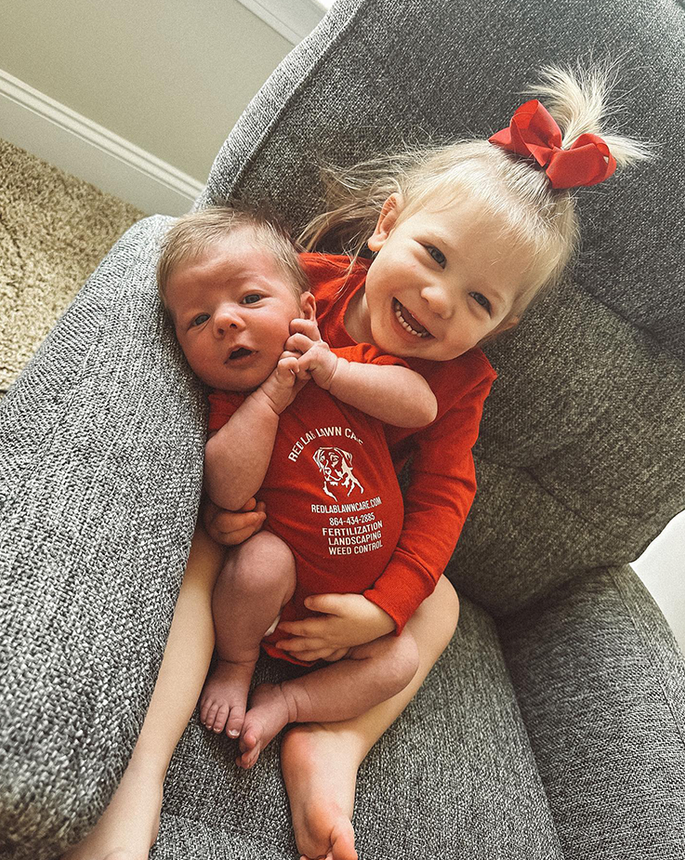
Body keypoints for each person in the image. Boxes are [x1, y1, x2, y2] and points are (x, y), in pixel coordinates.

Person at [61, 66, 650, 860]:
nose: (441, 300)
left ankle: (331, 744)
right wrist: (218, 500)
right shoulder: (297, 291)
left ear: (502, 326)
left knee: (435, 606)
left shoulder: (459, 380)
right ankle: (137, 780)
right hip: (261, 535)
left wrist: (385, 606)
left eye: (479, 302)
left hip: (350, 571)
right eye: (434, 256)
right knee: (209, 557)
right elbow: (213, 345)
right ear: (387, 224)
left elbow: (445, 493)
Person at [160, 206, 438, 768]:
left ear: (305, 310)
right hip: (277, 605)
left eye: (251, 299)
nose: (225, 322)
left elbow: (422, 404)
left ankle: (286, 703)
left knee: (400, 663)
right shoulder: (231, 405)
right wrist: (267, 402)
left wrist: (331, 368)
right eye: (197, 320)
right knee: (260, 561)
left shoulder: (344, 366)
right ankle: (236, 665)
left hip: (361, 611)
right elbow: (228, 489)